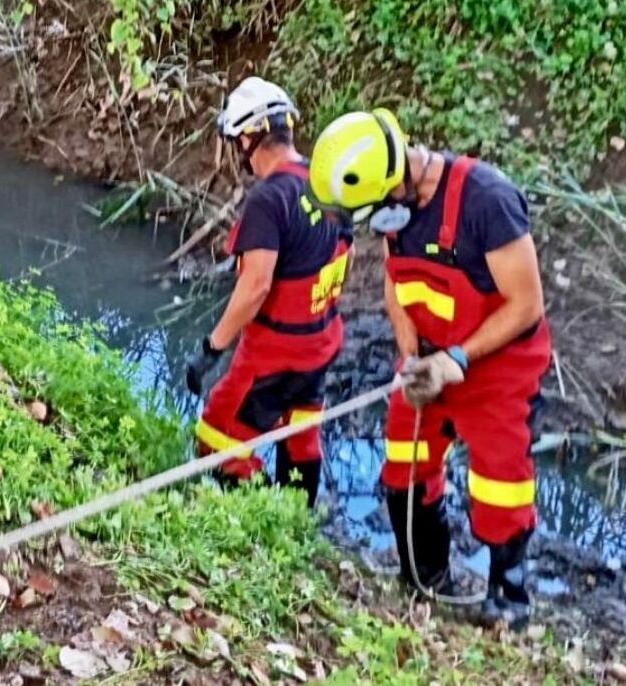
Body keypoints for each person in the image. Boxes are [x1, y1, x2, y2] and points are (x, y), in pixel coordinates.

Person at [305, 109, 552, 626]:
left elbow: (525, 304)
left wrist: (457, 359)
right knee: (403, 469)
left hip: (496, 367)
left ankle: (508, 600)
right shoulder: (396, 208)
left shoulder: (486, 201)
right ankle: (425, 579)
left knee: (499, 488)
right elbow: (398, 285)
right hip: (429, 363)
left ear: (396, 179)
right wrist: (412, 356)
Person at [185, 77, 354, 508]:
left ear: (247, 136)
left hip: (274, 352)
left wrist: (212, 347)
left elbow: (257, 284)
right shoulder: (328, 184)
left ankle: (256, 522)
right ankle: (296, 520)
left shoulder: (268, 199)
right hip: (321, 342)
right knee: (299, 435)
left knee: (217, 436)